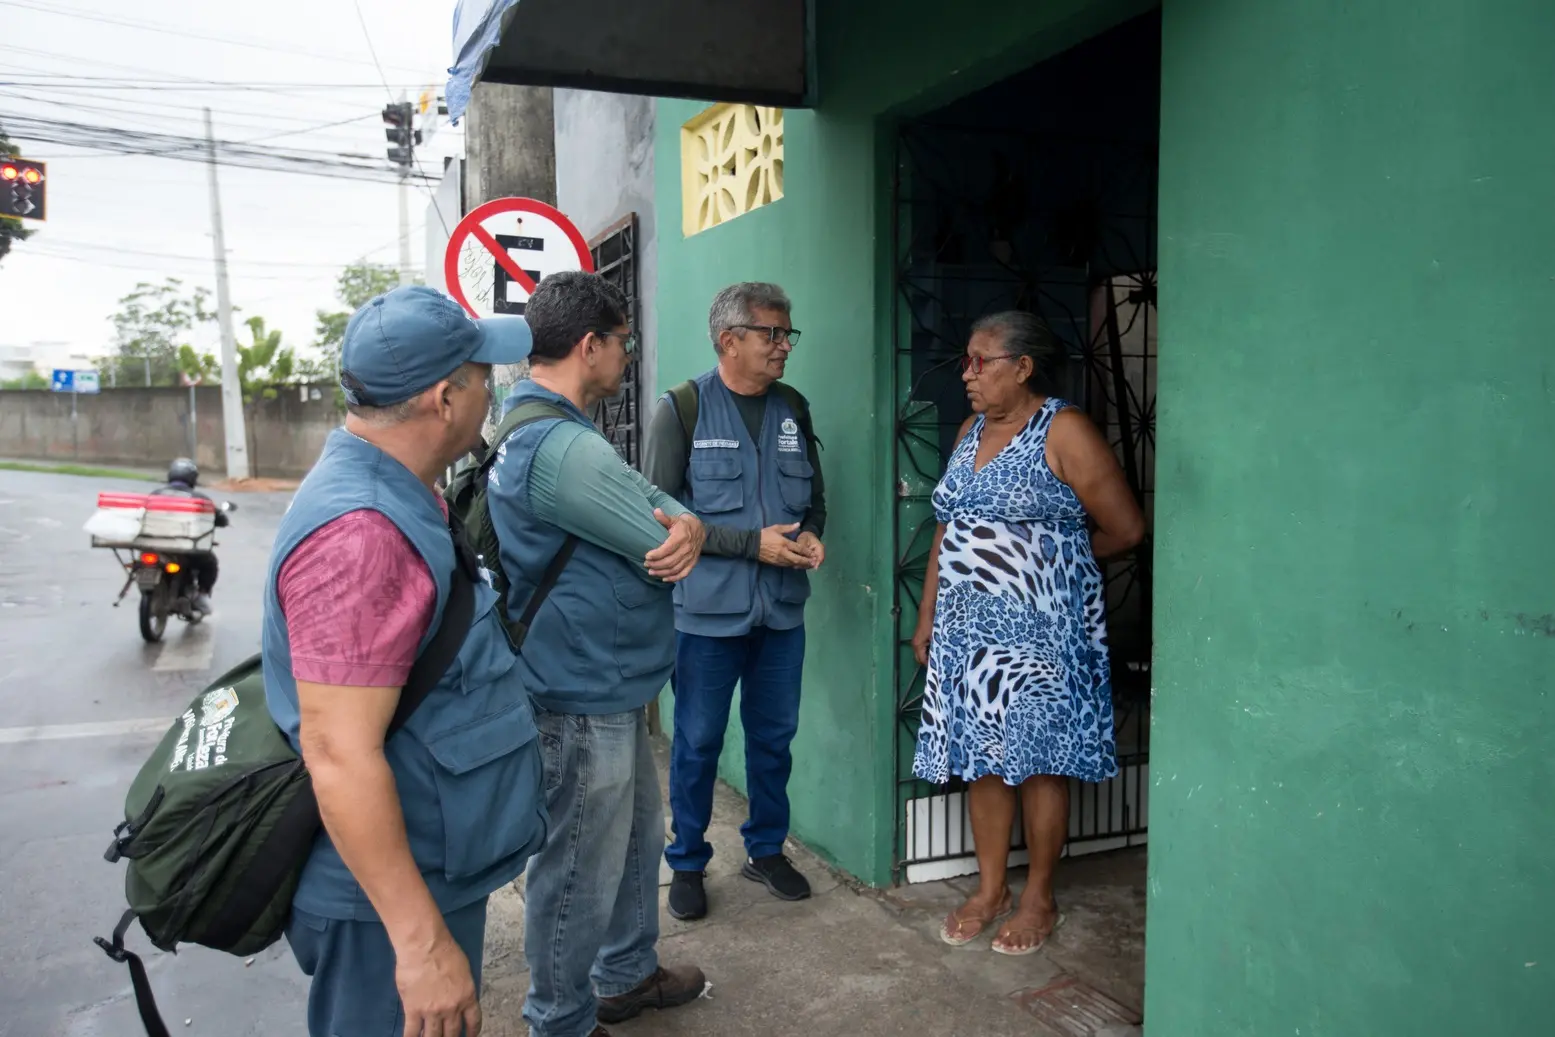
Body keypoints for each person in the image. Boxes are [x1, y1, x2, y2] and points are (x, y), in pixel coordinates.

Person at [262, 285, 548, 1037]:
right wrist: (419, 944)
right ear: (444, 397)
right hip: (384, 902)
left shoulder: (399, 491)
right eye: (484, 372)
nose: (494, 388)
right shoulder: (362, 532)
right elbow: (339, 753)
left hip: (426, 858)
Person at [485, 271, 708, 1037]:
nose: (626, 356)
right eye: (622, 342)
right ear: (590, 345)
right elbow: (661, 529)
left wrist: (689, 523)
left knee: (636, 843)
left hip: (601, 682)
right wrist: (688, 525)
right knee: (578, 866)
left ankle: (624, 972)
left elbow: (664, 510)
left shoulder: (533, 426)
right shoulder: (561, 446)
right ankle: (560, 1016)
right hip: (581, 692)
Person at [911, 311, 1145, 956]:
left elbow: (1124, 528)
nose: (969, 373)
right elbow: (947, 528)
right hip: (967, 633)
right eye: (967, 360)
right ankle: (990, 890)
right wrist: (930, 614)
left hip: (1042, 632)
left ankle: (1039, 894)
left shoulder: (1063, 431)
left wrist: (1050, 564)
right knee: (985, 760)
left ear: (1023, 367)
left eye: (981, 361)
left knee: (1042, 763)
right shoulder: (969, 431)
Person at [641, 281, 823, 922]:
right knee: (698, 741)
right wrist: (753, 546)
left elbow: (814, 500)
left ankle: (766, 850)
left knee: (775, 739)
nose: (783, 347)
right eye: (772, 334)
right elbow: (659, 515)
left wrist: (812, 538)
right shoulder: (684, 409)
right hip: (707, 618)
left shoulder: (793, 408)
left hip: (781, 613)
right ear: (729, 341)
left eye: (786, 335)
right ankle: (687, 860)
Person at [149, 457, 226, 614]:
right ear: (192, 478)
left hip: (155, 545)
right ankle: (202, 596)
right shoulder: (199, 498)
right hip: (186, 548)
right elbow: (220, 518)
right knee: (210, 563)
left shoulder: (155, 494)